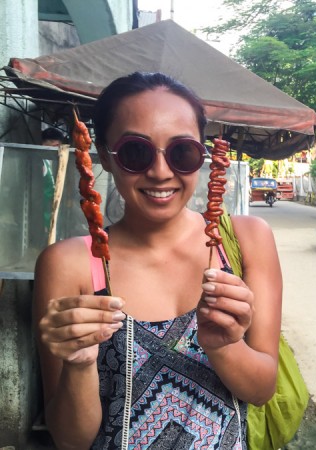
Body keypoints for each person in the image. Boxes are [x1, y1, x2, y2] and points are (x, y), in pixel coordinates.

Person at [32, 72, 282, 449]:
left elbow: (262, 389)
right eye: (136, 152)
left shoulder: (246, 241)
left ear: (204, 155)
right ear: (105, 156)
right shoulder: (68, 264)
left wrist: (225, 346)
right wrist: (79, 364)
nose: (161, 172)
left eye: (182, 152)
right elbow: (70, 440)